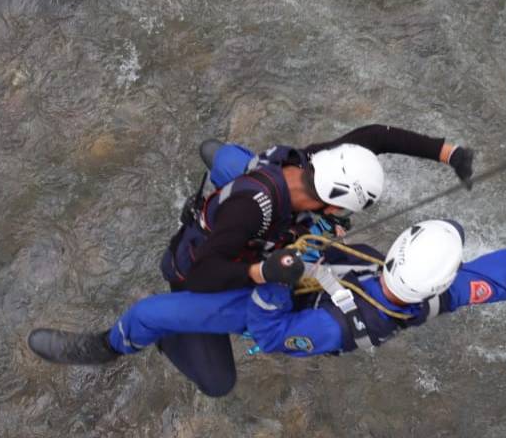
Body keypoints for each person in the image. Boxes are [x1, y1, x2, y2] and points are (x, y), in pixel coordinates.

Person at [27, 201, 506, 385]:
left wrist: (272, 285)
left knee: (151, 313)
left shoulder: (330, 330)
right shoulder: (445, 291)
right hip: (321, 281)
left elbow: (273, 336)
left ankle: (104, 349)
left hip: (285, 310)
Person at [156, 123, 475, 395]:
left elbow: (376, 137)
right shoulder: (256, 210)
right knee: (218, 383)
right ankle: (167, 332)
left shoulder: (316, 163)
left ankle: (222, 174)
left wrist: (449, 153)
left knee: (220, 154)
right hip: (197, 275)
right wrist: (261, 272)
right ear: (334, 207)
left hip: (245, 199)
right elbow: (203, 275)